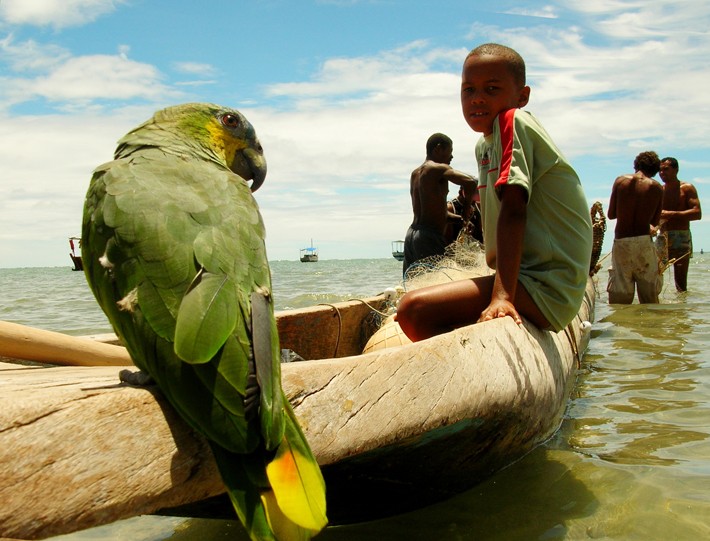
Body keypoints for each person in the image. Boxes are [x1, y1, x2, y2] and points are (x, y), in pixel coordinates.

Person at [396, 43, 592, 341]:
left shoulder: (512, 121)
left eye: (491, 89)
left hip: (548, 285)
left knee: (414, 310)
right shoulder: (484, 144)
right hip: (528, 278)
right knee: (416, 306)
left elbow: (514, 209)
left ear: (522, 96)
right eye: (468, 90)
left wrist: (502, 297)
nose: (477, 99)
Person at [403, 133, 477, 273]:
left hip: (411, 236)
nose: (451, 157)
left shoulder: (415, 174)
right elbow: (470, 182)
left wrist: (461, 220)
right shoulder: (437, 169)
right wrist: (467, 207)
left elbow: (434, 212)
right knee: (434, 284)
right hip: (428, 237)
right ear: (438, 149)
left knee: (413, 282)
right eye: (450, 151)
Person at [606, 151, 663, 304]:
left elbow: (611, 214)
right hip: (644, 242)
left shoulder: (620, 181)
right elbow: (655, 221)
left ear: (637, 164)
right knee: (649, 299)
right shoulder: (657, 188)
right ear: (655, 170)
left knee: (620, 301)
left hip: (622, 242)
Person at [656, 157, 702, 291]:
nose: (662, 173)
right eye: (660, 170)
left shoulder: (687, 188)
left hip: (681, 237)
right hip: (662, 237)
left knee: (681, 283)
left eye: (666, 169)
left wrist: (670, 214)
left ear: (676, 170)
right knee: (654, 275)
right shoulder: (659, 190)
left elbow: (697, 213)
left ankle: (681, 310)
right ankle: (655, 310)